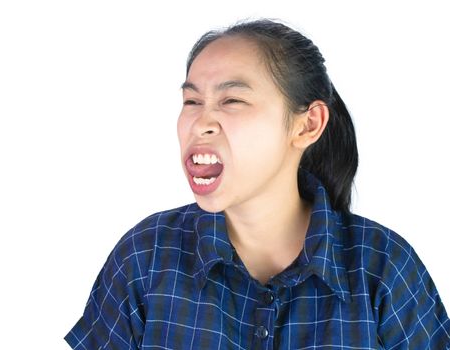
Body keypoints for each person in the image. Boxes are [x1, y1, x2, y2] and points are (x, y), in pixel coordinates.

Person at [65, 18, 450, 349]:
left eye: (232, 100)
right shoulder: (144, 259)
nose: (201, 122)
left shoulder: (383, 268)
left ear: (307, 124)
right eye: (192, 101)